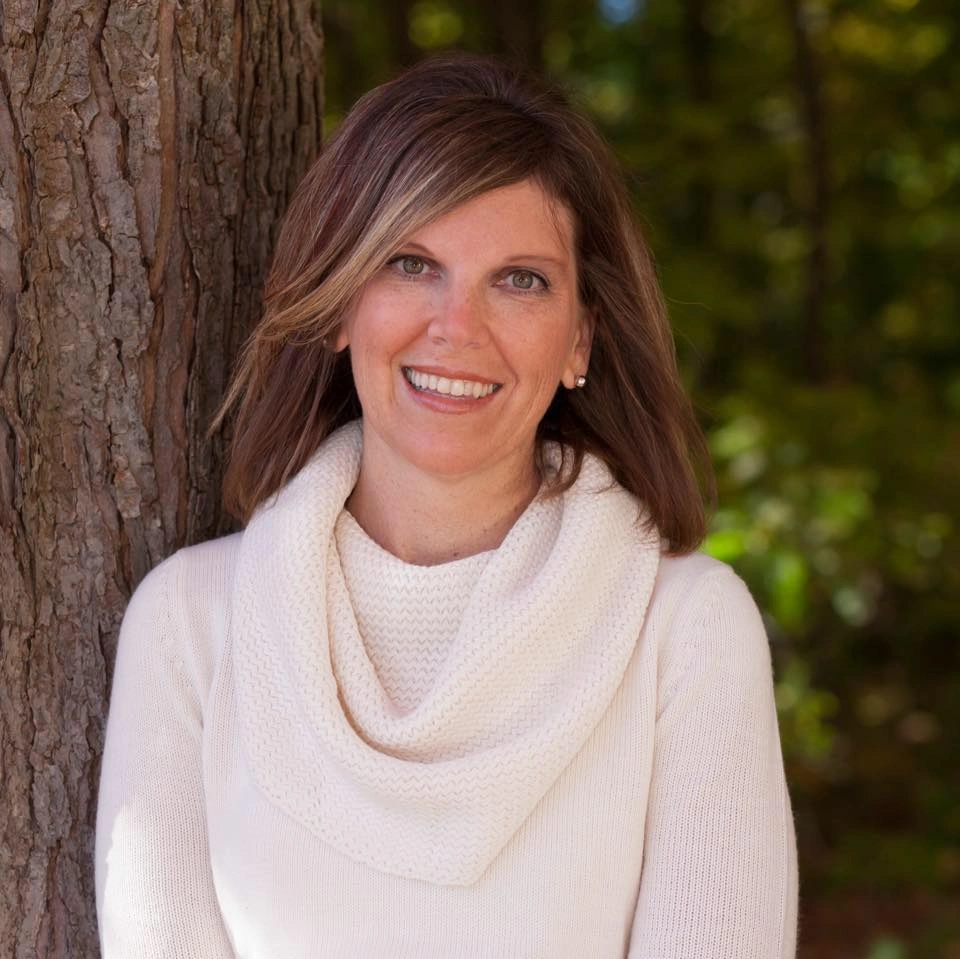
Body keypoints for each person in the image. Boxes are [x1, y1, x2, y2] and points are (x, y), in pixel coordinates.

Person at [95, 53, 798, 958]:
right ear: (341, 304)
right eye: (411, 263)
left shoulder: (685, 631)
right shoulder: (190, 626)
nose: (456, 327)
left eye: (521, 280)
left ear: (580, 336)